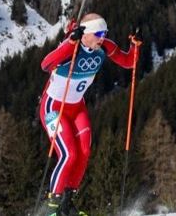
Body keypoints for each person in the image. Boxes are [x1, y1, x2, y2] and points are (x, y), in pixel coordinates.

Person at [39, 13, 141, 216]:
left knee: (84, 152)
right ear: (85, 34)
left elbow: (128, 61)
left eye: (105, 33)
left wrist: (134, 46)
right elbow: (46, 65)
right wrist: (70, 42)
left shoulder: (104, 47)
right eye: (99, 34)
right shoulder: (72, 46)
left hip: (77, 108)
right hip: (54, 108)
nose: (102, 38)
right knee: (69, 154)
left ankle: (67, 204)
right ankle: (53, 207)